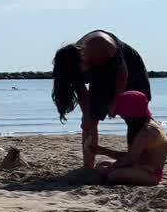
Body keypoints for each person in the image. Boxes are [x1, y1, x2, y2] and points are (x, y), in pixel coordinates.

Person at [52, 30, 152, 169]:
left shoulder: (101, 44)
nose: (81, 72)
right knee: (90, 120)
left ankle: (136, 160)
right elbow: (82, 93)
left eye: (81, 68)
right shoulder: (72, 66)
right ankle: (88, 167)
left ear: (82, 56)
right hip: (100, 75)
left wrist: (116, 100)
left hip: (129, 69)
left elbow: (122, 73)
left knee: (135, 117)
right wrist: (87, 116)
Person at [90, 90, 167, 186]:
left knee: (114, 174)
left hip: (150, 173)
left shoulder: (147, 131)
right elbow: (132, 156)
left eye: (123, 113)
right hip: (137, 166)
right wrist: (102, 151)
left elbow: (130, 158)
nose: (122, 116)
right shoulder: (141, 125)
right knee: (101, 164)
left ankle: (103, 179)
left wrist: (107, 171)